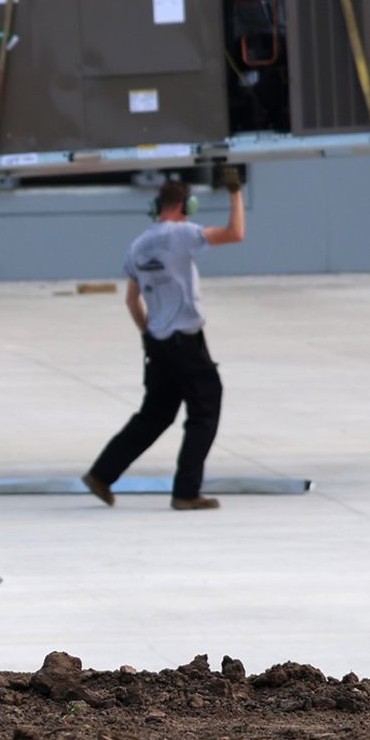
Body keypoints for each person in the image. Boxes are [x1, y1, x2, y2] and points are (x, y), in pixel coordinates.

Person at [83, 166, 246, 511]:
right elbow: (235, 234)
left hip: (157, 342)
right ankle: (186, 492)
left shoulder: (138, 245)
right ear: (185, 205)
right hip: (185, 341)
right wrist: (235, 193)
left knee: (155, 414)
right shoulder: (182, 233)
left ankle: (101, 474)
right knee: (205, 407)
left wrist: (148, 336)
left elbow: (131, 299)